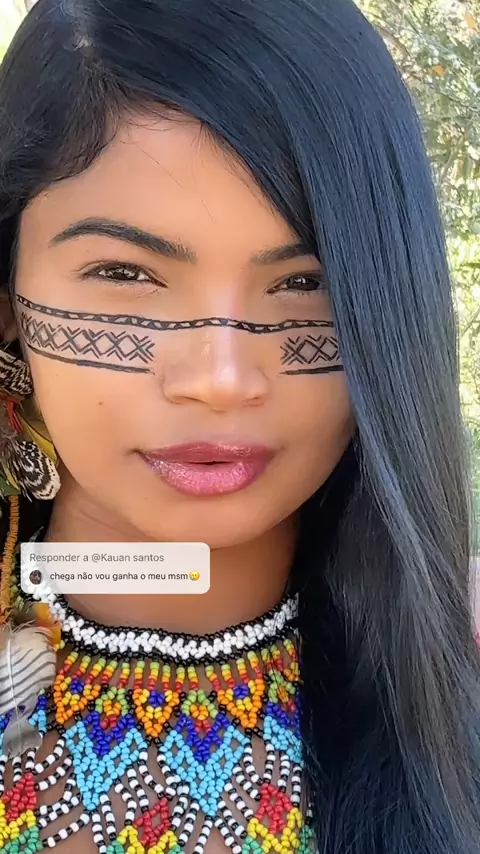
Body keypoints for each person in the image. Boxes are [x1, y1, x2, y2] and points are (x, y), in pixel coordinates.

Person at [0, 0, 477, 852]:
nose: (221, 379)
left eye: (304, 284)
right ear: (8, 302)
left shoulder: (454, 697)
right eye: (125, 273)